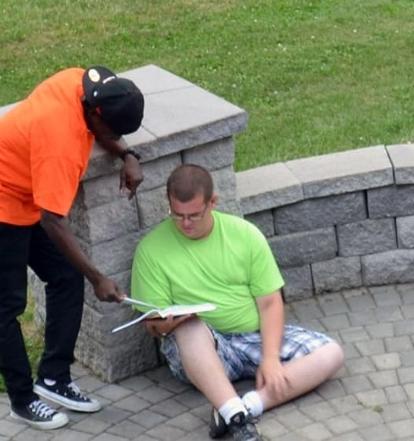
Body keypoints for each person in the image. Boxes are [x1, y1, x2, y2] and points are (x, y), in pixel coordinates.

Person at [0, 66, 146, 430]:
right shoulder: (61, 140)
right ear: (92, 114)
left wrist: (127, 154)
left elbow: (103, 126)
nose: (110, 137)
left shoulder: (82, 81)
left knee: (64, 275)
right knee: (6, 305)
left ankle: (54, 378)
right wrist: (98, 277)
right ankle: (22, 401)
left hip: (21, 196)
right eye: (109, 132)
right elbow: (53, 221)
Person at [131, 164, 344, 441]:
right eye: (177, 215)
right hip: (202, 349)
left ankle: (242, 407)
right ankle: (238, 419)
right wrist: (162, 325)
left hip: (253, 338)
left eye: (194, 215)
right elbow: (151, 325)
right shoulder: (151, 249)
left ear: (213, 203)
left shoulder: (245, 234)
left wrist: (270, 361)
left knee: (331, 354)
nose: (185, 223)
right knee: (189, 328)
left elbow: (270, 302)